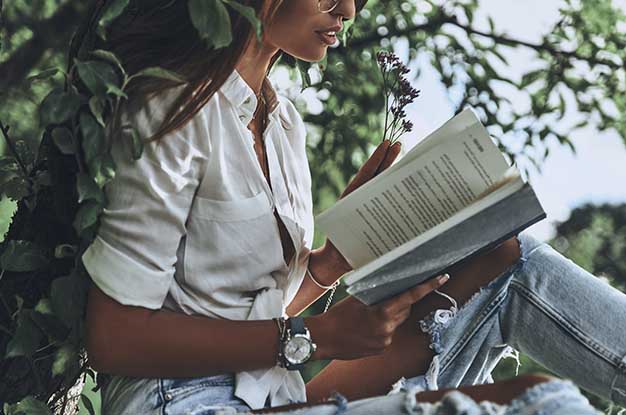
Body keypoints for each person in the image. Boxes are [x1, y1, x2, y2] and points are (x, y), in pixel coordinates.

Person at [81, 0, 624, 414]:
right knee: (536, 402)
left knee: (508, 259)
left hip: (274, 392)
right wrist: (315, 338)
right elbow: (113, 337)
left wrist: (331, 263)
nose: (348, 10)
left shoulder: (281, 122)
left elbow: (247, 307)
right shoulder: (172, 108)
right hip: (184, 401)